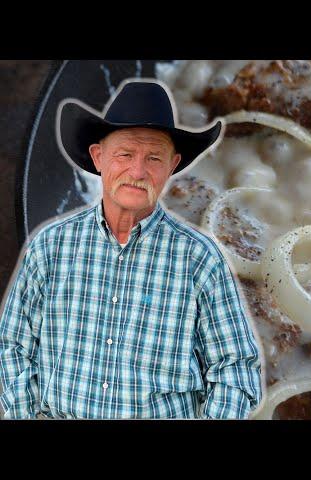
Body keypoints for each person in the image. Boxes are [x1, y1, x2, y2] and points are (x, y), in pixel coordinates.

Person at [0, 79, 263, 419]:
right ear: (98, 158)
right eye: (125, 154)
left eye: (154, 158)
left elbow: (236, 369)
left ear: (172, 165)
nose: (137, 171)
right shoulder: (49, 246)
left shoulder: (200, 259)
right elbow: (11, 346)